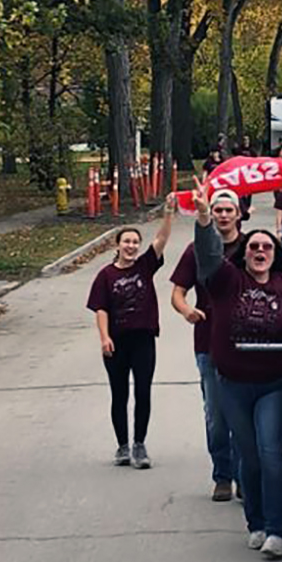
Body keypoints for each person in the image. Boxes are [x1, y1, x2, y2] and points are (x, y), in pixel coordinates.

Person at [193, 177, 282, 560]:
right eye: (254, 246)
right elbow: (208, 256)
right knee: (249, 456)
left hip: (276, 384)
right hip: (234, 384)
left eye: (266, 246)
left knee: (270, 451)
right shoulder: (227, 281)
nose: (260, 250)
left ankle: (278, 529)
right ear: (244, 254)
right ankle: (256, 523)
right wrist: (205, 218)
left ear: (275, 254)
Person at [86, 195, 176, 469]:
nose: (131, 246)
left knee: (143, 392)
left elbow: (160, 240)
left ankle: (139, 444)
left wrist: (169, 213)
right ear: (117, 245)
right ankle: (122, 445)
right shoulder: (105, 275)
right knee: (119, 393)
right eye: (126, 241)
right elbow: (100, 308)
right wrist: (104, 338)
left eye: (135, 242)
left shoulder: (145, 266)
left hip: (143, 339)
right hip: (116, 341)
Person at [170, 188, 245, 502]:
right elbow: (177, 292)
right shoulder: (195, 250)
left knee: (243, 413)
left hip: (245, 342)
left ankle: (245, 475)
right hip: (208, 342)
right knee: (216, 415)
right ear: (211, 214)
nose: (224, 215)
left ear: (239, 214)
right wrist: (187, 310)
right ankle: (222, 475)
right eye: (218, 210)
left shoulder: (252, 246)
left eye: (229, 210)